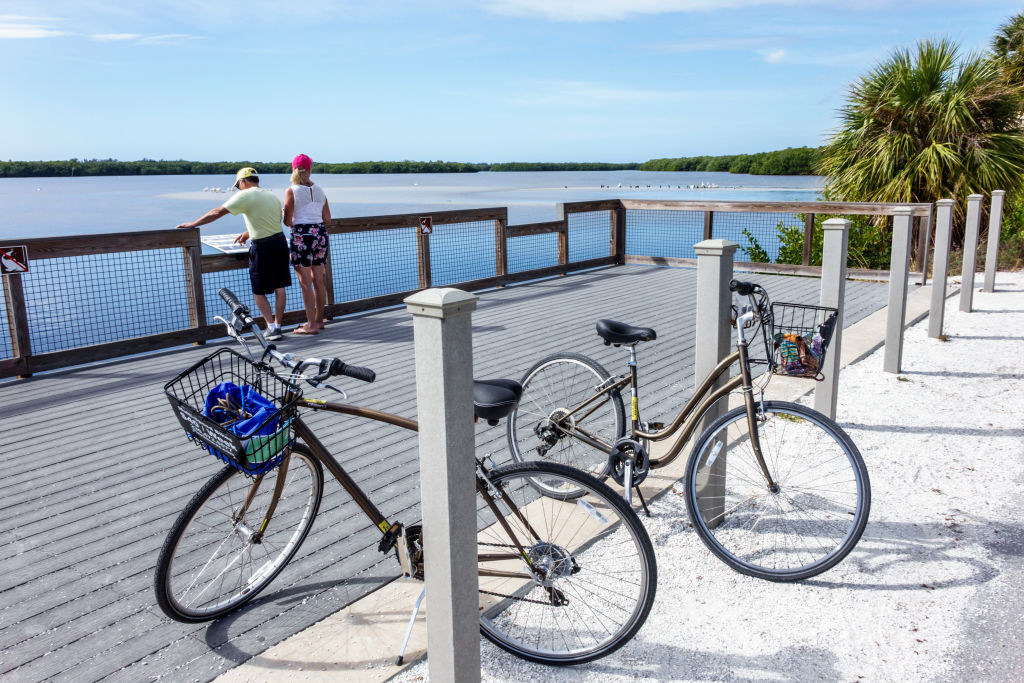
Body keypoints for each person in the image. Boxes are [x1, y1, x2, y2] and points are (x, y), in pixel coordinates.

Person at [176, 167, 290, 340]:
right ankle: (278, 326)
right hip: (280, 243)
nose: (239, 188)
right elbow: (270, 221)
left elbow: (217, 212)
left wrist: (193, 224)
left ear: (242, 182)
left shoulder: (245, 195)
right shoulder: (271, 196)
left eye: (238, 185)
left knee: (258, 290)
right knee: (279, 288)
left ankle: (271, 327)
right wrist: (248, 232)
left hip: (263, 247)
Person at [283, 154, 331, 334]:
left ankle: (310, 325)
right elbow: (327, 218)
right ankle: (319, 320)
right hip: (320, 234)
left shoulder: (292, 190)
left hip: (301, 236)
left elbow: (288, 222)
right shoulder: (320, 190)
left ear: (293, 169)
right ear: (310, 169)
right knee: (318, 280)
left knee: (305, 283)